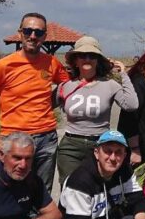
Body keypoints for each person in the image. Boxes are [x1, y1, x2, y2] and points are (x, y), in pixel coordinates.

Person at [0, 12, 70, 192]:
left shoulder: (52, 63)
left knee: (42, 192)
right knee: (12, 192)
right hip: (14, 138)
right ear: (20, 33)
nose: (32, 36)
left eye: (38, 32)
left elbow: (68, 86)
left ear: (44, 36)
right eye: (28, 30)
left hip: (46, 138)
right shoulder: (4, 66)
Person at [55, 36, 138, 185]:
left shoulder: (110, 85)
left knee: (99, 187)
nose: (87, 59)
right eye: (82, 55)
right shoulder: (65, 86)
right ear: (75, 60)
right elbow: (42, 105)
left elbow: (131, 105)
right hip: (70, 146)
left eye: (92, 56)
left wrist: (123, 75)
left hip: (100, 145)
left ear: (98, 60)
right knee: (69, 188)